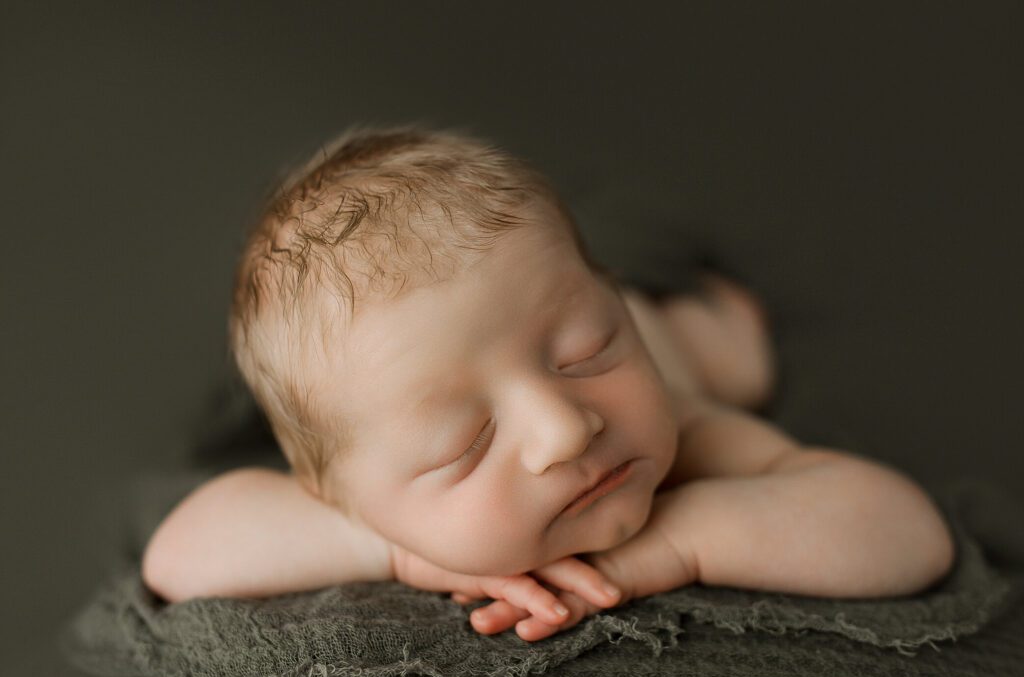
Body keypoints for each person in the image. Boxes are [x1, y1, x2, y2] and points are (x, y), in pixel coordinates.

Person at [141, 125, 955, 642]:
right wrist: (395, 546)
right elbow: (180, 553)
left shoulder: (685, 431)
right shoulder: (363, 502)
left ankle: (687, 316)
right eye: (465, 441)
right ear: (343, 493)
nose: (567, 428)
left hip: (666, 342)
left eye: (587, 353)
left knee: (731, 363)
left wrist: (675, 539)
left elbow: (907, 534)